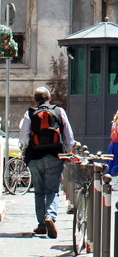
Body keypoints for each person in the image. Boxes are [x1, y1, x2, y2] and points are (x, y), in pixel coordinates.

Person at [18, 85, 74, 238]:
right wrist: (68, 151)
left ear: (35, 100)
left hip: (35, 157)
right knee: (52, 190)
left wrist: (25, 148)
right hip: (54, 155)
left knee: (39, 191)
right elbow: (68, 134)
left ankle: (41, 225)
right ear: (49, 98)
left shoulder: (29, 113)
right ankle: (50, 216)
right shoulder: (58, 111)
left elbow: (23, 137)